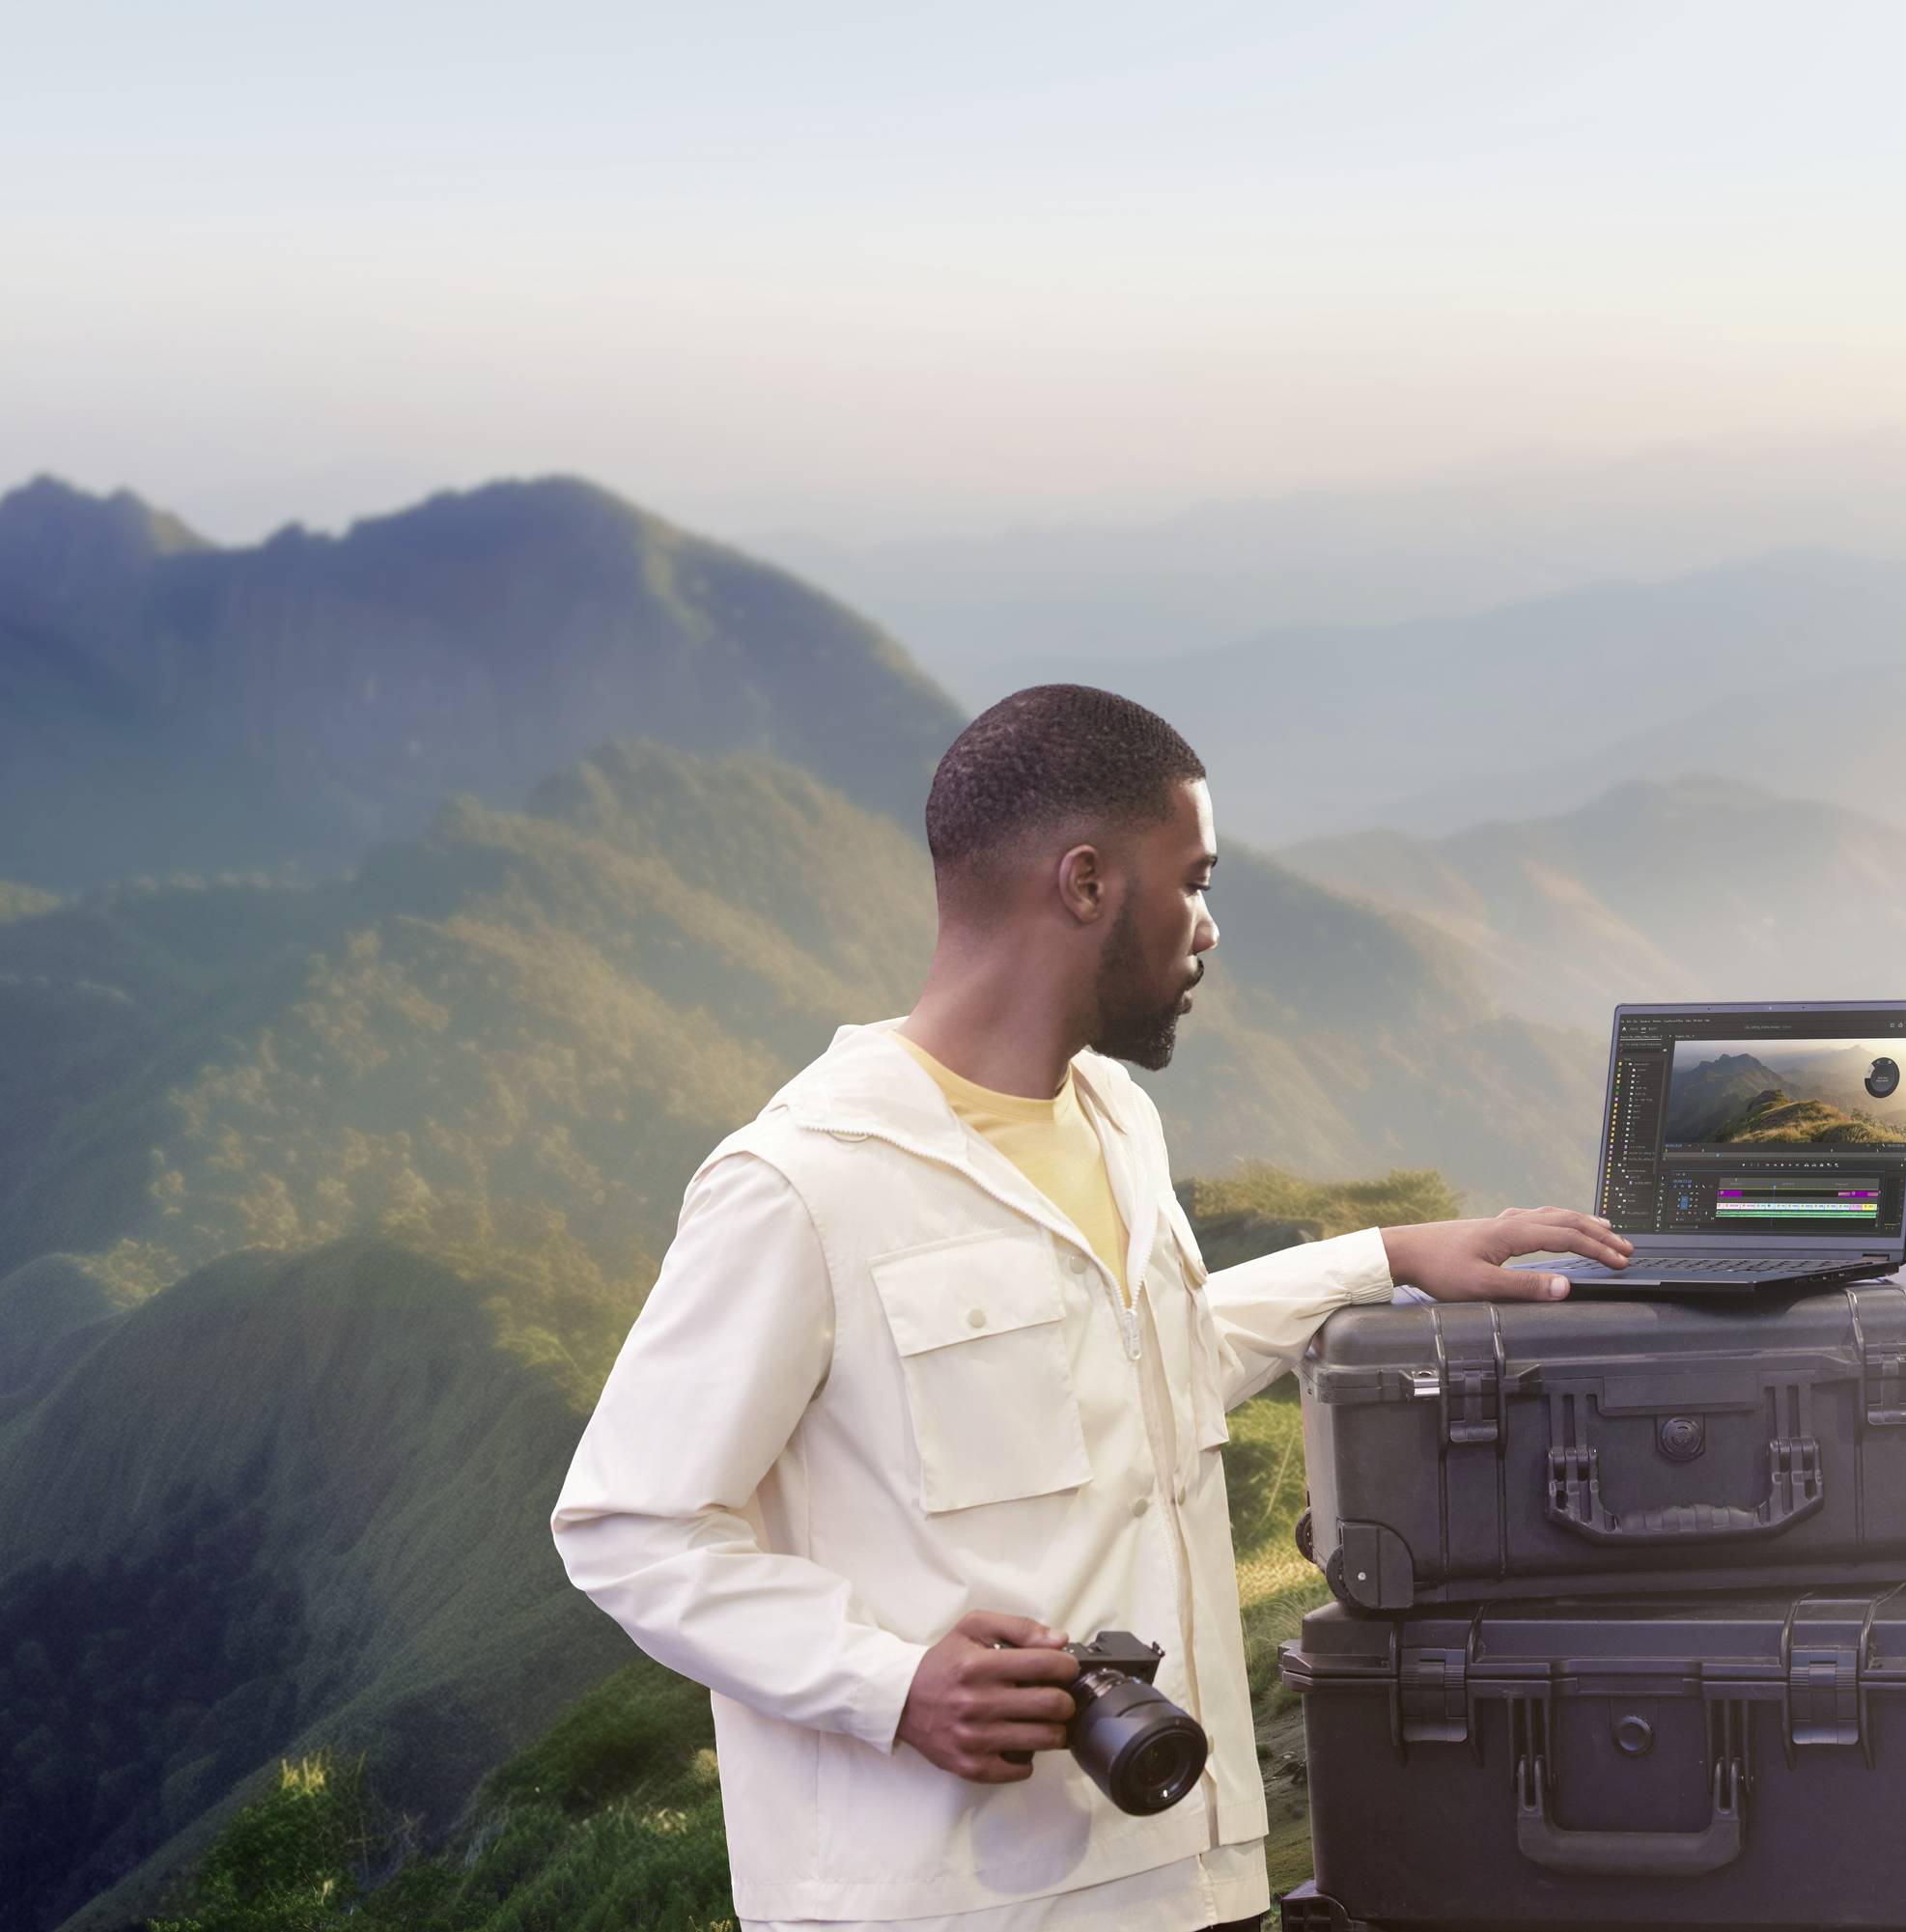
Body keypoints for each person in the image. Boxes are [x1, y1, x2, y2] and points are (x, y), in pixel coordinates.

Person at [549, 685, 1630, 1932]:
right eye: (1196, 880)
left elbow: (1143, 1372)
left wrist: (1383, 1253)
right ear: (1084, 883)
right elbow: (628, 1524)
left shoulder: (1117, 1120)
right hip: (948, 1907)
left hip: (1187, 1867)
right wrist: (890, 1682)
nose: (1210, 928)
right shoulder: (802, 1181)